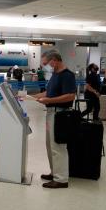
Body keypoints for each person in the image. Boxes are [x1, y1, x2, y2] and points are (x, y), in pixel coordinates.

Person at [33, 50, 76, 189]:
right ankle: (54, 172)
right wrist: (32, 97)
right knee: (50, 145)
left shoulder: (67, 75)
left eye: (46, 63)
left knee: (58, 147)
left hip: (60, 115)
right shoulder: (55, 75)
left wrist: (49, 100)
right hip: (51, 113)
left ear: (54, 60)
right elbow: (48, 92)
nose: (46, 66)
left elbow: (70, 96)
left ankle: (61, 179)